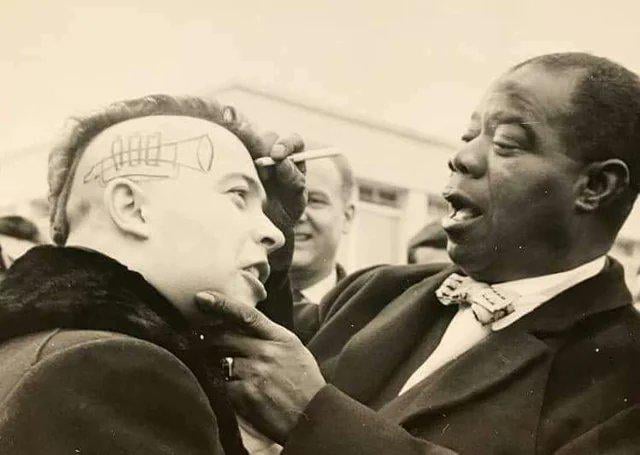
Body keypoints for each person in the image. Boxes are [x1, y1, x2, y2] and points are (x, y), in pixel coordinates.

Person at [201, 52, 640, 454]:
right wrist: (265, 233)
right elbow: (243, 367)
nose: (463, 157)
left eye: (506, 143)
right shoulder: (376, 290)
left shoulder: (624, 376)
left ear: (597, 187)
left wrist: (317, 419)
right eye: (469, 135)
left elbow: (297, 404)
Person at [0, 94, 306, 454]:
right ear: (131, 207)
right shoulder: (113, 371)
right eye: (238, 194)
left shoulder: (44, 349)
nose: (276, 234)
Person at [289, 153, 355, 342]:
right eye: (286, 200)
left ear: (347, 217)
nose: (298, 216)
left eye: (315, 201)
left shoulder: (369, 315)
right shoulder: (232, 302)